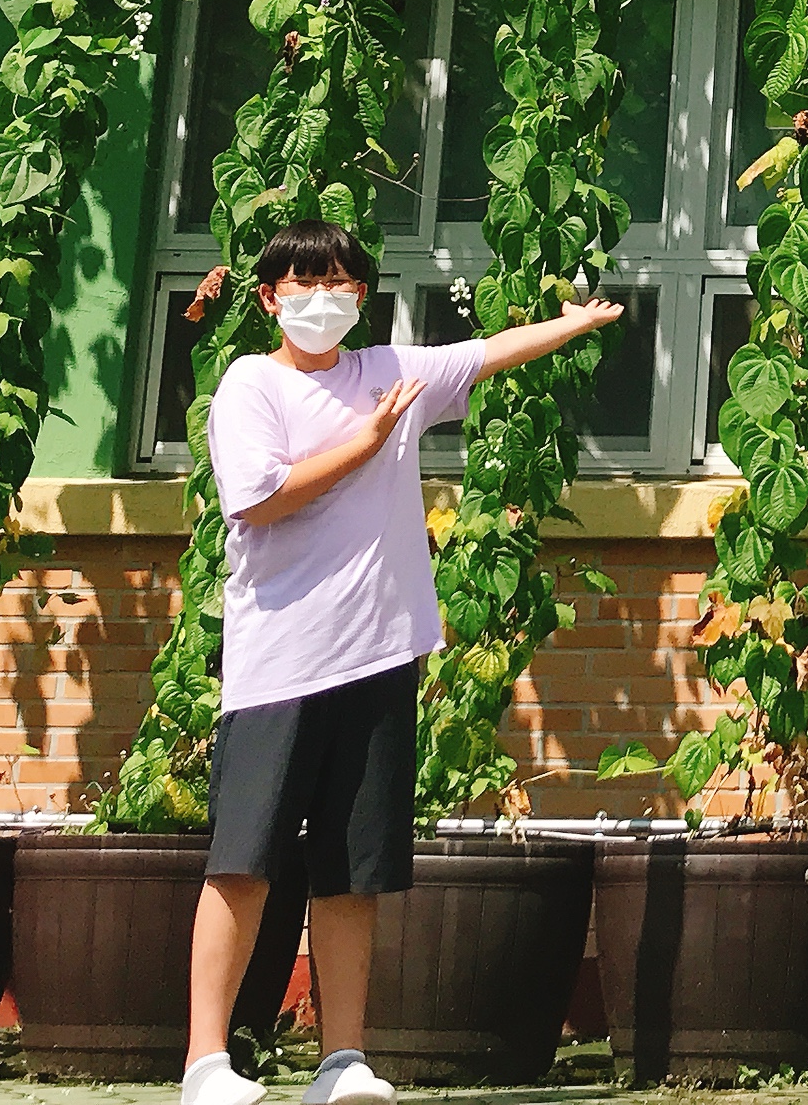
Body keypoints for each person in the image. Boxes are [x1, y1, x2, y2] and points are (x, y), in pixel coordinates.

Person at [179, 220, 628, 1105]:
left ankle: (343, 1060)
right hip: (279, 667)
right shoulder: (250, 385)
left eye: (341, 285)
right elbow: (261, 500)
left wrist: (570, 326)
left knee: (354, 869)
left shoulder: (387, 372)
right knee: (244, 859)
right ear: (269, 298)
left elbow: (487, 351)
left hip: (379, 659)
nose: (324, 301)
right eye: (304, 286)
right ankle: (205, 1062)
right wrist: (367, 441)